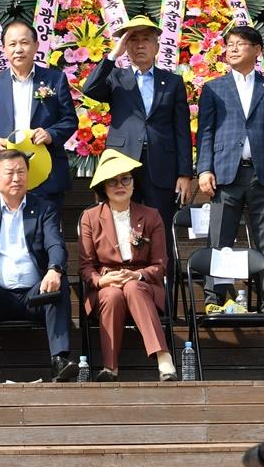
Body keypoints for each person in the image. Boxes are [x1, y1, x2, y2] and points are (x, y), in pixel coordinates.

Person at [195, 25, 264, 314]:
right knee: (218, 240)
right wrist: (204, 169)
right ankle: (215, 300)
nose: (232, 49)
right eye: (229, 44)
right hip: (225, 174)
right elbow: (205, 133)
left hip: (263, 174)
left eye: (240, 44)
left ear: (257, 50)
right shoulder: (214, 88)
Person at [82, 14, 193, 289]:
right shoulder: (117, 78)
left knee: (160, 231)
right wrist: (113, 54)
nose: (139, 46)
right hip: (122, 165)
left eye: (146, 40)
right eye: (133, 40)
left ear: (157, 46)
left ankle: (162, 300)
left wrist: (184, 173)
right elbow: (90, 89)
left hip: (162, 167)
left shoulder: (172, 82)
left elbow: (181, 130)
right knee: (120, 225)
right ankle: (123, 288)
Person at [0, 149, 77, 382]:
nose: (16, 178)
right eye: (10, 172)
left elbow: (56, 244)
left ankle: (60, 359)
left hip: (35, 295)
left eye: (21, 172)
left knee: (57, 283)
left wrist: (54, 269)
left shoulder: (45, 208)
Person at [78, 149, 175, 381]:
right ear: (103, 186)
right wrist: (102, 280)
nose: (119, 185)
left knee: (132, 288)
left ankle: (164, 359)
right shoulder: (90, 217)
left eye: (125, 179)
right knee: (112, 295)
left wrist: (137, 276)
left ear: (133, 183)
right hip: (106, 283)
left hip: (144, 284)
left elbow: (160, 265)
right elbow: (85, 266)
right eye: (112, 181)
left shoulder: (151, 216)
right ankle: (110, 368)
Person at [0, 19, 77, 209]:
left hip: (47, 171)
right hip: (6, 173)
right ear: (4, 49)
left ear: (36, 46)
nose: (18, 49)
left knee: (47, 234)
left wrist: (50, 134)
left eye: (24, 42)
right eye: (12, 44)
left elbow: (70, 120)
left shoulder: (55, 79)